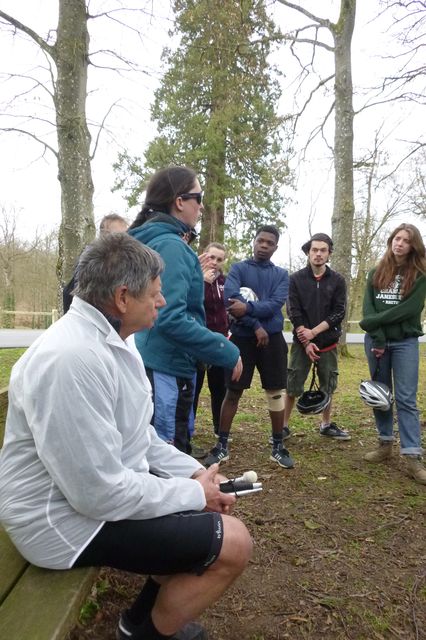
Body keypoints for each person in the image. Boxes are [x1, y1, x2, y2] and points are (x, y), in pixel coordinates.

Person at [0, 234, 253, 640]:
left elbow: (140, 437)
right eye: (155, 293)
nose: (163, 301)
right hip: (59, 524)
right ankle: (145, 633)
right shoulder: (71, 360)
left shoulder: (112, 341)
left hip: (85, 504)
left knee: (206, 513)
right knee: (234, 544)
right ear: (122, 298)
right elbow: (97, 494)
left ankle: (138, 620)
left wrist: (198, 476)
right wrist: (194, 495)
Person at [128, 166, 242, 455]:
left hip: (156, 361)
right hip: (167, 367)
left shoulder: (152, 239)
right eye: (198, 198)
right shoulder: (171, 246)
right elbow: (169, 317)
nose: (202, 206)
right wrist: (226, 351)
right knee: (168, 452)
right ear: (179, 202)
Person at [204, 225, 293, 469]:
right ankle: (222, 445)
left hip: (273, 339)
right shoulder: (239, 269)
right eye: (260, 241)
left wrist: (251, 311)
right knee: (233, 391)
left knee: (275, 392)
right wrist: (255, 325)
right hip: (243, 337)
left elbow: (276, 304)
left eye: (269, 243)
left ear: (275, 247)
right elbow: (231, 301)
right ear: (254, 242)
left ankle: (278, 445)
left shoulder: (281, 275)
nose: (264, 246)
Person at [360, 223, 426, 485]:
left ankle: (412, 457)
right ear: (391, 241)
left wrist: (375, 323)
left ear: (413, 246)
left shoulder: (420, 274)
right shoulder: (376, 272)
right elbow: (368, 308)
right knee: (381, 395)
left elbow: (408, 311)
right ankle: (385, 444)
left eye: (405, 240)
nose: (399, 243)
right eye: (396, 238)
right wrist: (376, 334)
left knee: (407, 398)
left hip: (405, 342)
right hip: (377, 341)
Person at [284, 233, 350, 440]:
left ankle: (326, 424)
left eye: (323, 250)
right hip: (301, 343)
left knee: (328, 384)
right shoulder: (295, 279)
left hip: (328, 342)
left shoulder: (338, 280)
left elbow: (339, 312)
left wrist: (314, 333)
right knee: (293, 384)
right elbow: (293, 311)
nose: (318, 254)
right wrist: (306, 341)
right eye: (315, 250)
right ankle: (283, 426)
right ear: (308, 252)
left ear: (329, 254)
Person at [192, 242, 228, 438]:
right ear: (204, 256)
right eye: (211, 257)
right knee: (194, 387)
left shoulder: (225, 282)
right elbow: (192, 302)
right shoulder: (193, 278)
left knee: (219, 388)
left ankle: (218, 428)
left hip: (219, 340)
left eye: (219, 259)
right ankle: (189, 427)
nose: (214, 262)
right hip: (198, 339)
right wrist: (203, 282)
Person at [62, 213, 128, 313]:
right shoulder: (90, 262)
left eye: (126, 236)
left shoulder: (125, 262)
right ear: (104, 235)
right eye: (118, 236)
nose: (124, 241)